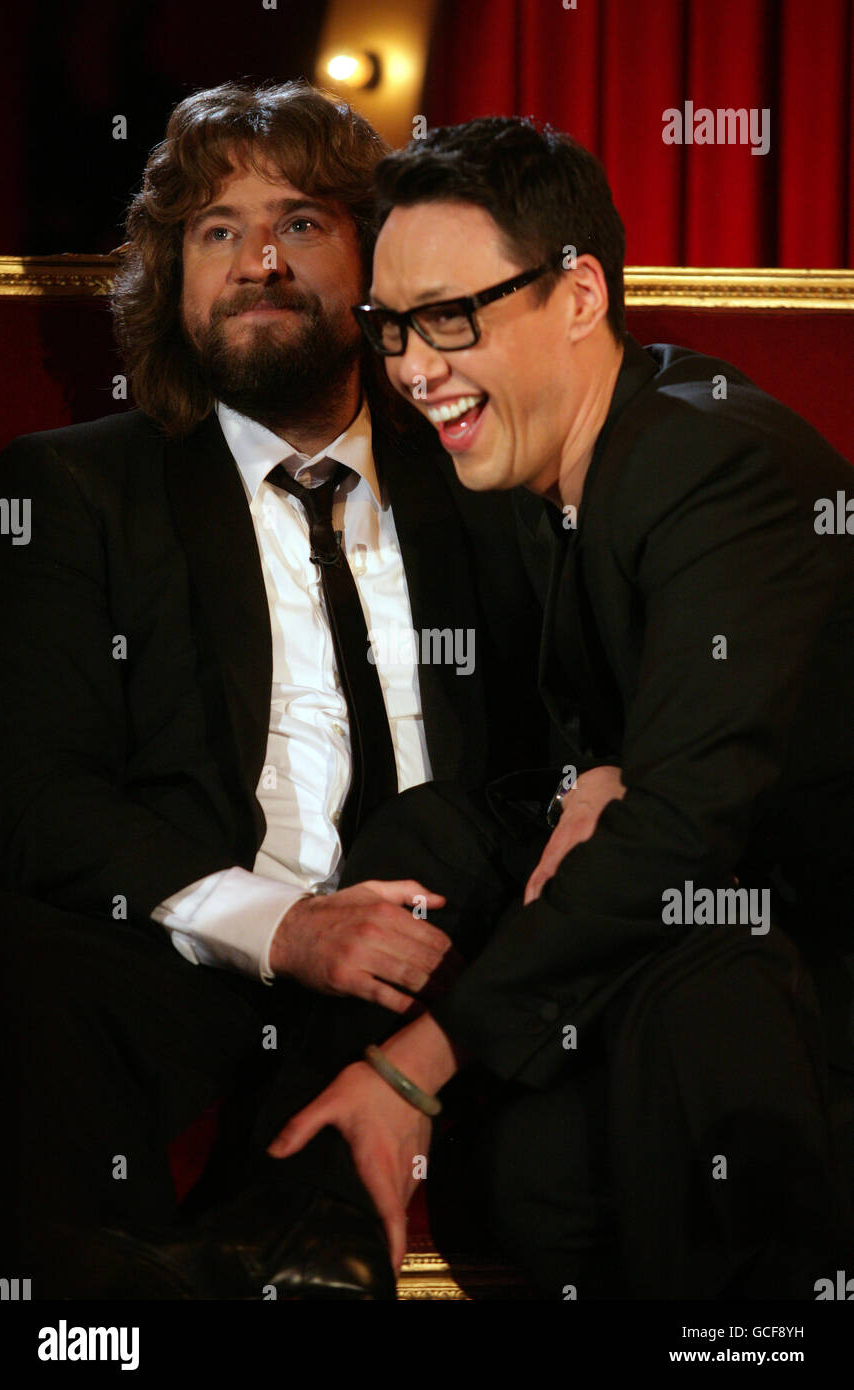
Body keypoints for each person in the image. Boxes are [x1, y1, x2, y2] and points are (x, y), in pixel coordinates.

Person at [270, 116, 854, 1299]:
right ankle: (299, 1207)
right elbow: (619, 733)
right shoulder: (549, 451)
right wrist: (593, 767)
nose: (413, 366)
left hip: (795, 944)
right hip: (697, 905)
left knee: (669, 1028)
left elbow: (683, 828)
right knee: (425, 841)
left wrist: (420, 1060)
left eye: (450, 316)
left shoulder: (710, 466)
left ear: (578, 293)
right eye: (389, 326)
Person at [0, 86, 551, 1300]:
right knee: (21, 963)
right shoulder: (76, 491)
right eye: (215, 230)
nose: (256, 260)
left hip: (439, 942)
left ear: (373, 261)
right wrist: (284, 928)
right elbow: (35, 799)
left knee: (436, 833)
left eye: (299, 223)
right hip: (193, 946)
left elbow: (553, 751)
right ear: (171, 275)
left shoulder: (484, 474)